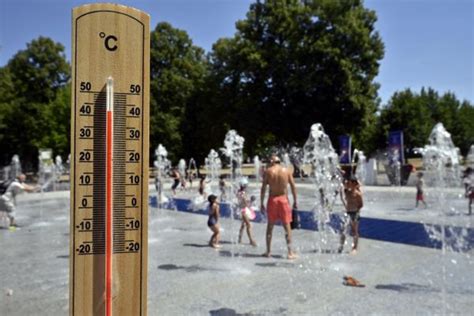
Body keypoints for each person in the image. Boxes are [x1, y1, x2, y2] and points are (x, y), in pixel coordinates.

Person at [260, 154, 298, 259]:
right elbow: (293, 187)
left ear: (272, 161)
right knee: (287, 227)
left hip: (272, 200)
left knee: (270, 226)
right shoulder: (286, 171)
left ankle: (268, 251)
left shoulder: (268, 171)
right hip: (283, 200)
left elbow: (263, 188)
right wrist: (295, 201)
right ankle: (290, 253)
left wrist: (261, 202)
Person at [339, 177, 363, 254]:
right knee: (343, 230)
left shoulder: (358, 194)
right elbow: (342, 187)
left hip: (355, 213)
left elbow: (361, 204)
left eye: (350, 183)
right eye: (347, 183)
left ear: (353, 184)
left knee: (354, 230)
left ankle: (354, 248)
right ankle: (341, 246)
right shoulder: (347, 192)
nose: (348, 184)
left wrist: (356, 210)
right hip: (348, 213)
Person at [237, 177, 257, 246]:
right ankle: (251, 240)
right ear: (244, 185)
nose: (247, 186)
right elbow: (245, 203)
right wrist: (251, 201)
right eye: (246, 185)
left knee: (243, 225)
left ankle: (239, 239)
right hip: (243, 211)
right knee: (248, 225)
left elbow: (241, 202)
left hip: (242, 209)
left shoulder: (239, 191)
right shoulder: (242, 193)